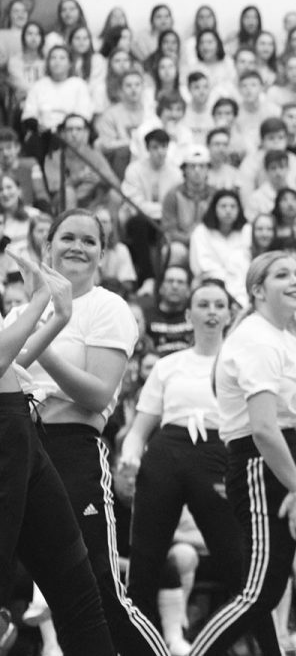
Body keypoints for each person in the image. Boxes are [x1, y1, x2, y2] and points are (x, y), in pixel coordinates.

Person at [6, 208, 169, 656]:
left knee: (97, 582)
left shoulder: (107, 307)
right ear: (47, 247)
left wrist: (45, 342)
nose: (77, 247)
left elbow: (97, 395)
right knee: (40, 586)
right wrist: (42, 319)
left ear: (102, 252)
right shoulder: (20, 311)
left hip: (72, 448)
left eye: (89, 241)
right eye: (67, 238)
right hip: (18, 446)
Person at [186, 252, 296, 655]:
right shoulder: (255, 339)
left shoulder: (284, 337)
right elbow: (263, 428)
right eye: (283, 275)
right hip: (260, 466)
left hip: (292, 461)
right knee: (259, 593)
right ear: (258, 290)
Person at [120, 280, 278, 655]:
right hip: (166, 453)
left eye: (218, 305)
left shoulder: (241, 362)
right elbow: (139, 429)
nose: (210, 312)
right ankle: (136, 649)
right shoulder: (167, 364)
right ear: (188, 315)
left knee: (239, 564)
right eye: (202, 305)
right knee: (145, 561)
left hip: (219, 454)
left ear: (228, 314)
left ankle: (270, 649)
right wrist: (130, 456)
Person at [0, 250, 117, 656]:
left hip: (21, 428)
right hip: (6, 435)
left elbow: (13, 361)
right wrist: (37, 304)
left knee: (78, 593)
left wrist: (57, 318)